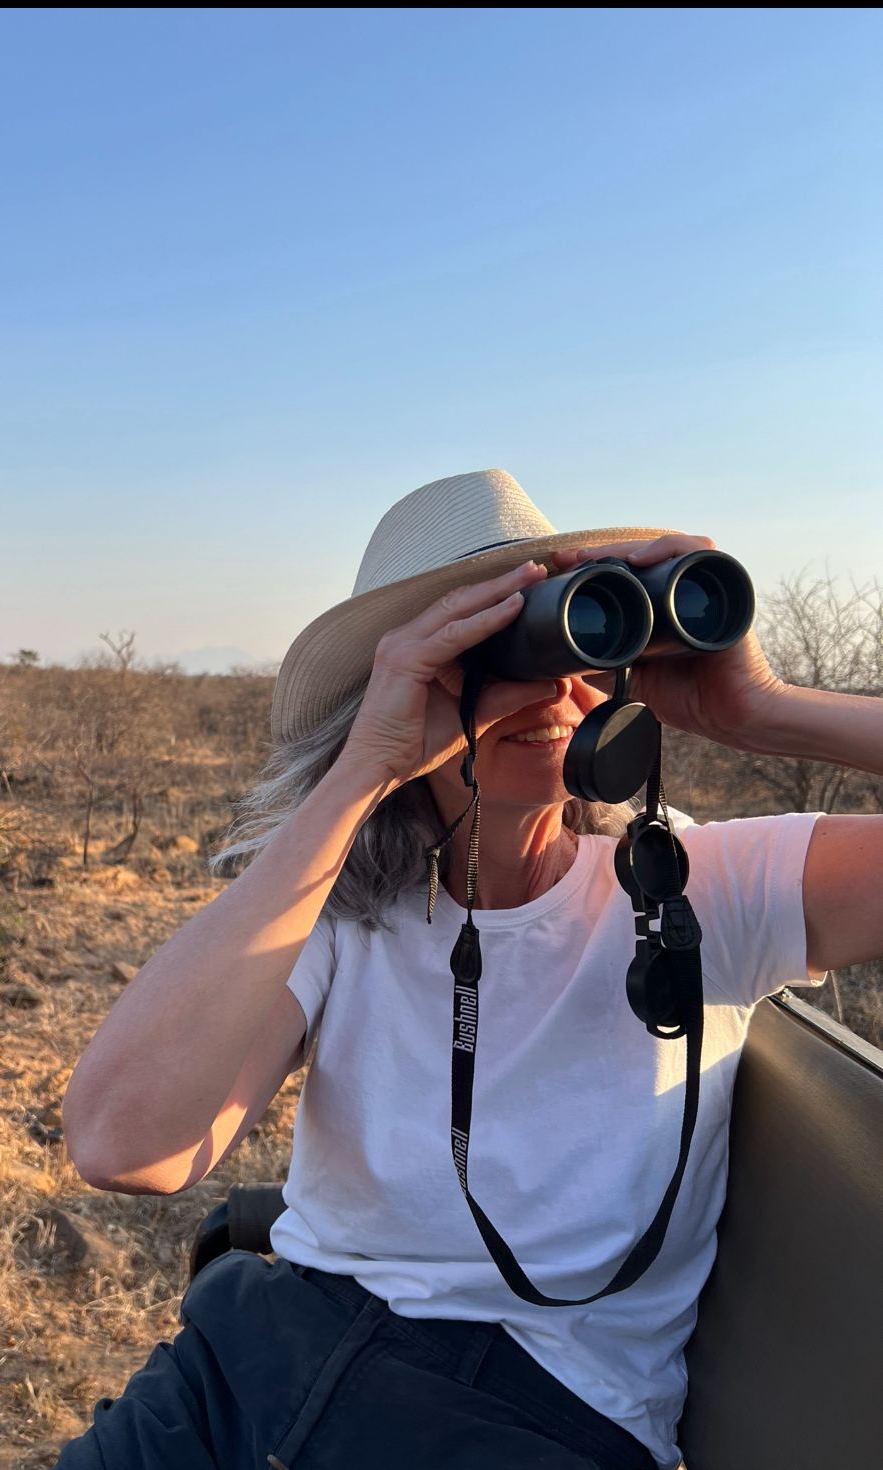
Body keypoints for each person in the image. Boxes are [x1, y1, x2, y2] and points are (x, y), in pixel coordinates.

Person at [55, 470, 883, 1470]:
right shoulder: (338, 911)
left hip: (538, 1413)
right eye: (493, 652)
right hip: (258, 1357)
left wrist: (767, 711)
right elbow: (122, 1144)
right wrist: (361, 774)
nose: (555, 685)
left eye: (583, 635)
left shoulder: (707, 885)